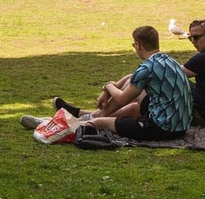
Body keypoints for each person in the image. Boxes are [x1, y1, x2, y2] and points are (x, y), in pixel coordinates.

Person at [55, 25, 192, 141]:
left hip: (162, 128)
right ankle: (91, 115)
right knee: (131, 85)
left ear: (138, 45)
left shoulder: (147, 68)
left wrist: (108, 86)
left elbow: (123, 98)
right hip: (180, 124)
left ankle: (80, 122)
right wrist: (108, 90)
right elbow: (132, 79)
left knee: (99, 123)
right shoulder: (169, 60)